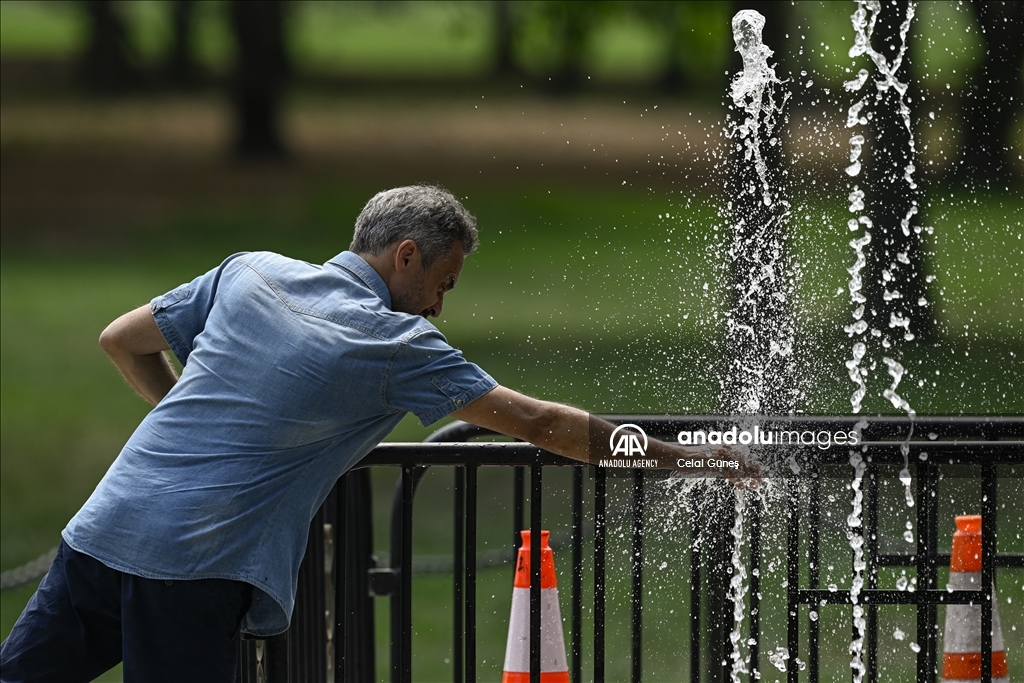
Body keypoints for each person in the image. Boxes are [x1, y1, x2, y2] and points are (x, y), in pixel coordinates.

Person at [0, 184, 752, 683]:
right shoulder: (394, 346)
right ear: (406, 257)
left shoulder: (250, 272)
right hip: (195, 566)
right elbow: (543, 423)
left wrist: (185, 424)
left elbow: (120, 339)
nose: (438, 308)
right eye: (442, 284)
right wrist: (682, 456)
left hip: (103, 529)